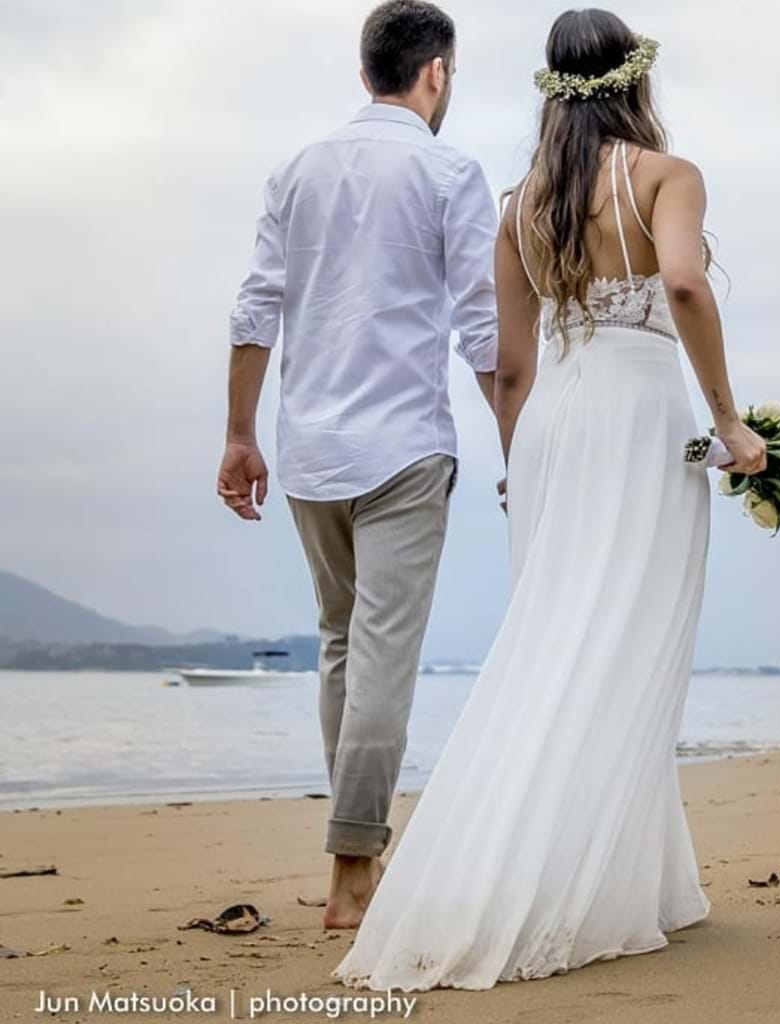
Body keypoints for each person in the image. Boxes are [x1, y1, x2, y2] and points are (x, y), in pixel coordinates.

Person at [334, 8, 767, 991]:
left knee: (557, 633)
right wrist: (730, 419)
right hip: (637, 421)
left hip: (553, 436)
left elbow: (510, 366)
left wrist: (517, 465)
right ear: (632, 80)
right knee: (628, 636)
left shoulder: (517, 203)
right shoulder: (666, 176)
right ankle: (573, 881)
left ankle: (644, 876)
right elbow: (687, 287)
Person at [217, 0, 498, 929]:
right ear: (436, 74)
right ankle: (352, 870)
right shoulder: (448, 170)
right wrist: (517, 442)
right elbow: (481, 325)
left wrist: (239, 435)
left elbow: (257, 307)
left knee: (341, 645)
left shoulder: (296, 170)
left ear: (366, 71)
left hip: (310, 451)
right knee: (381, 654)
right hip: (405, 447)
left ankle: (356, 848)